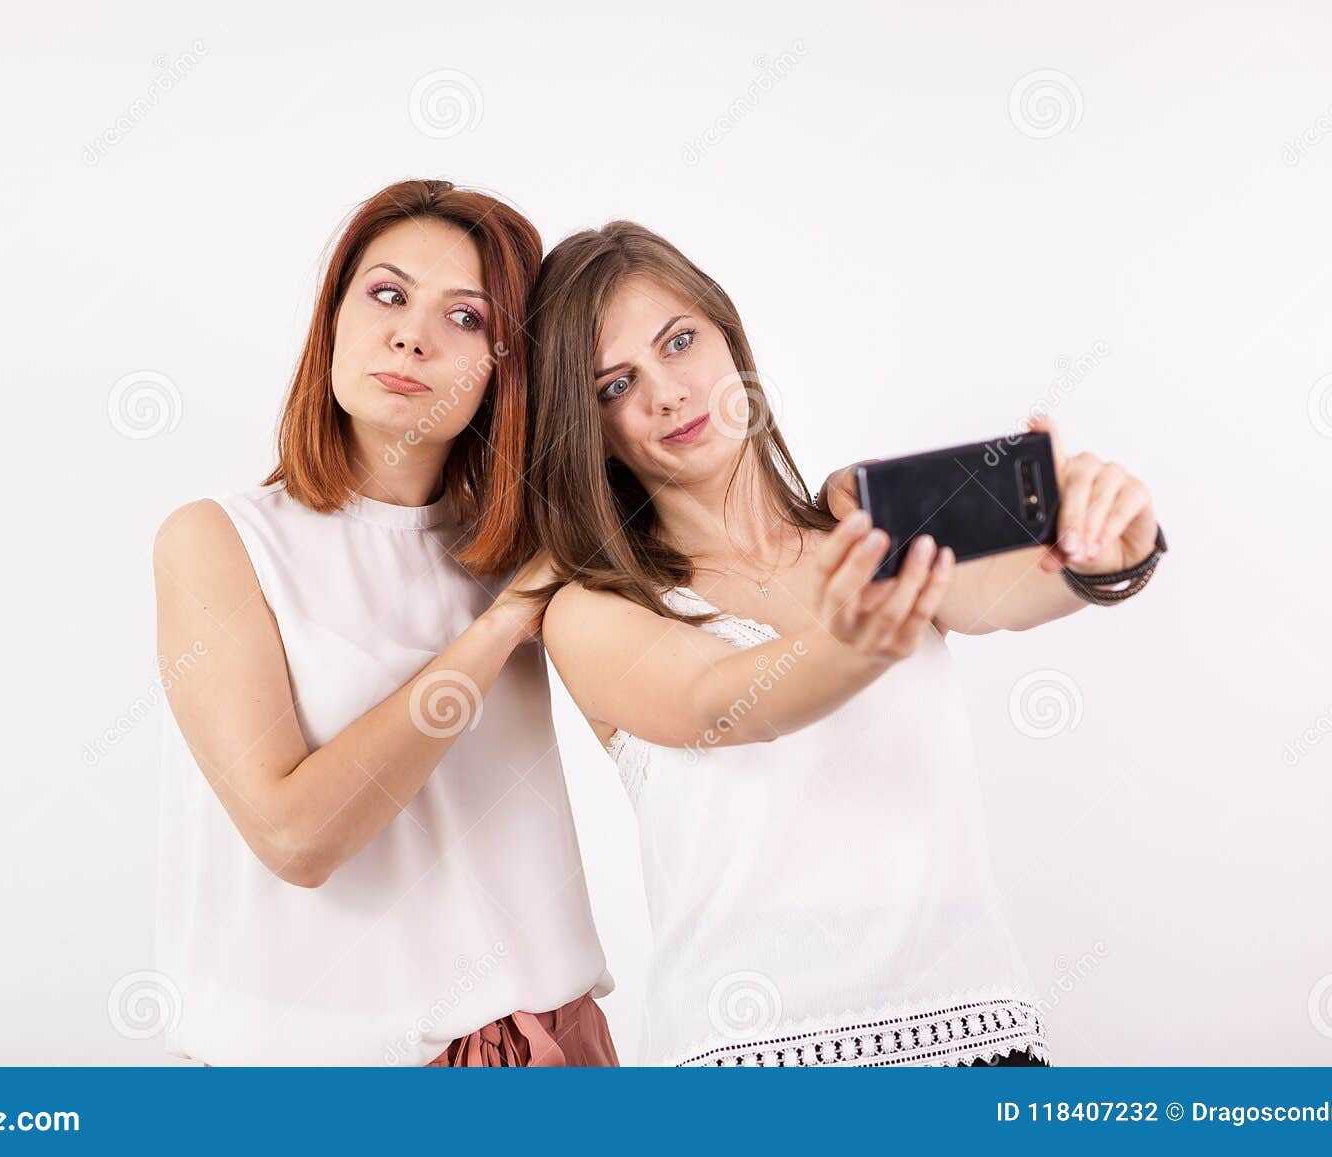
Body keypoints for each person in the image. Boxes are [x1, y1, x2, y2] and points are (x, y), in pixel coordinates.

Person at [524, 220, 1165, 1067]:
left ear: (729, 338)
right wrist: (858, 639)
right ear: (590, 427)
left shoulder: (869, 527)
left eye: (680, 342)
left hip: (978, 1041)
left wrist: (1114, 545)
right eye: (615, 385)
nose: (668, 394)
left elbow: (1011, 593)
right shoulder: (594, 610)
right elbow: (723, 702)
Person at [152, 180, 615, 1066]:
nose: (412, 335)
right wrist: (501, 624)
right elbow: (296, 838)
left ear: (505, 364)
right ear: (335, 318)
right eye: (389, 294)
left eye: (467, 317)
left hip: (544, 1051)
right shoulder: (220, 542)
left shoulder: (534, 547)